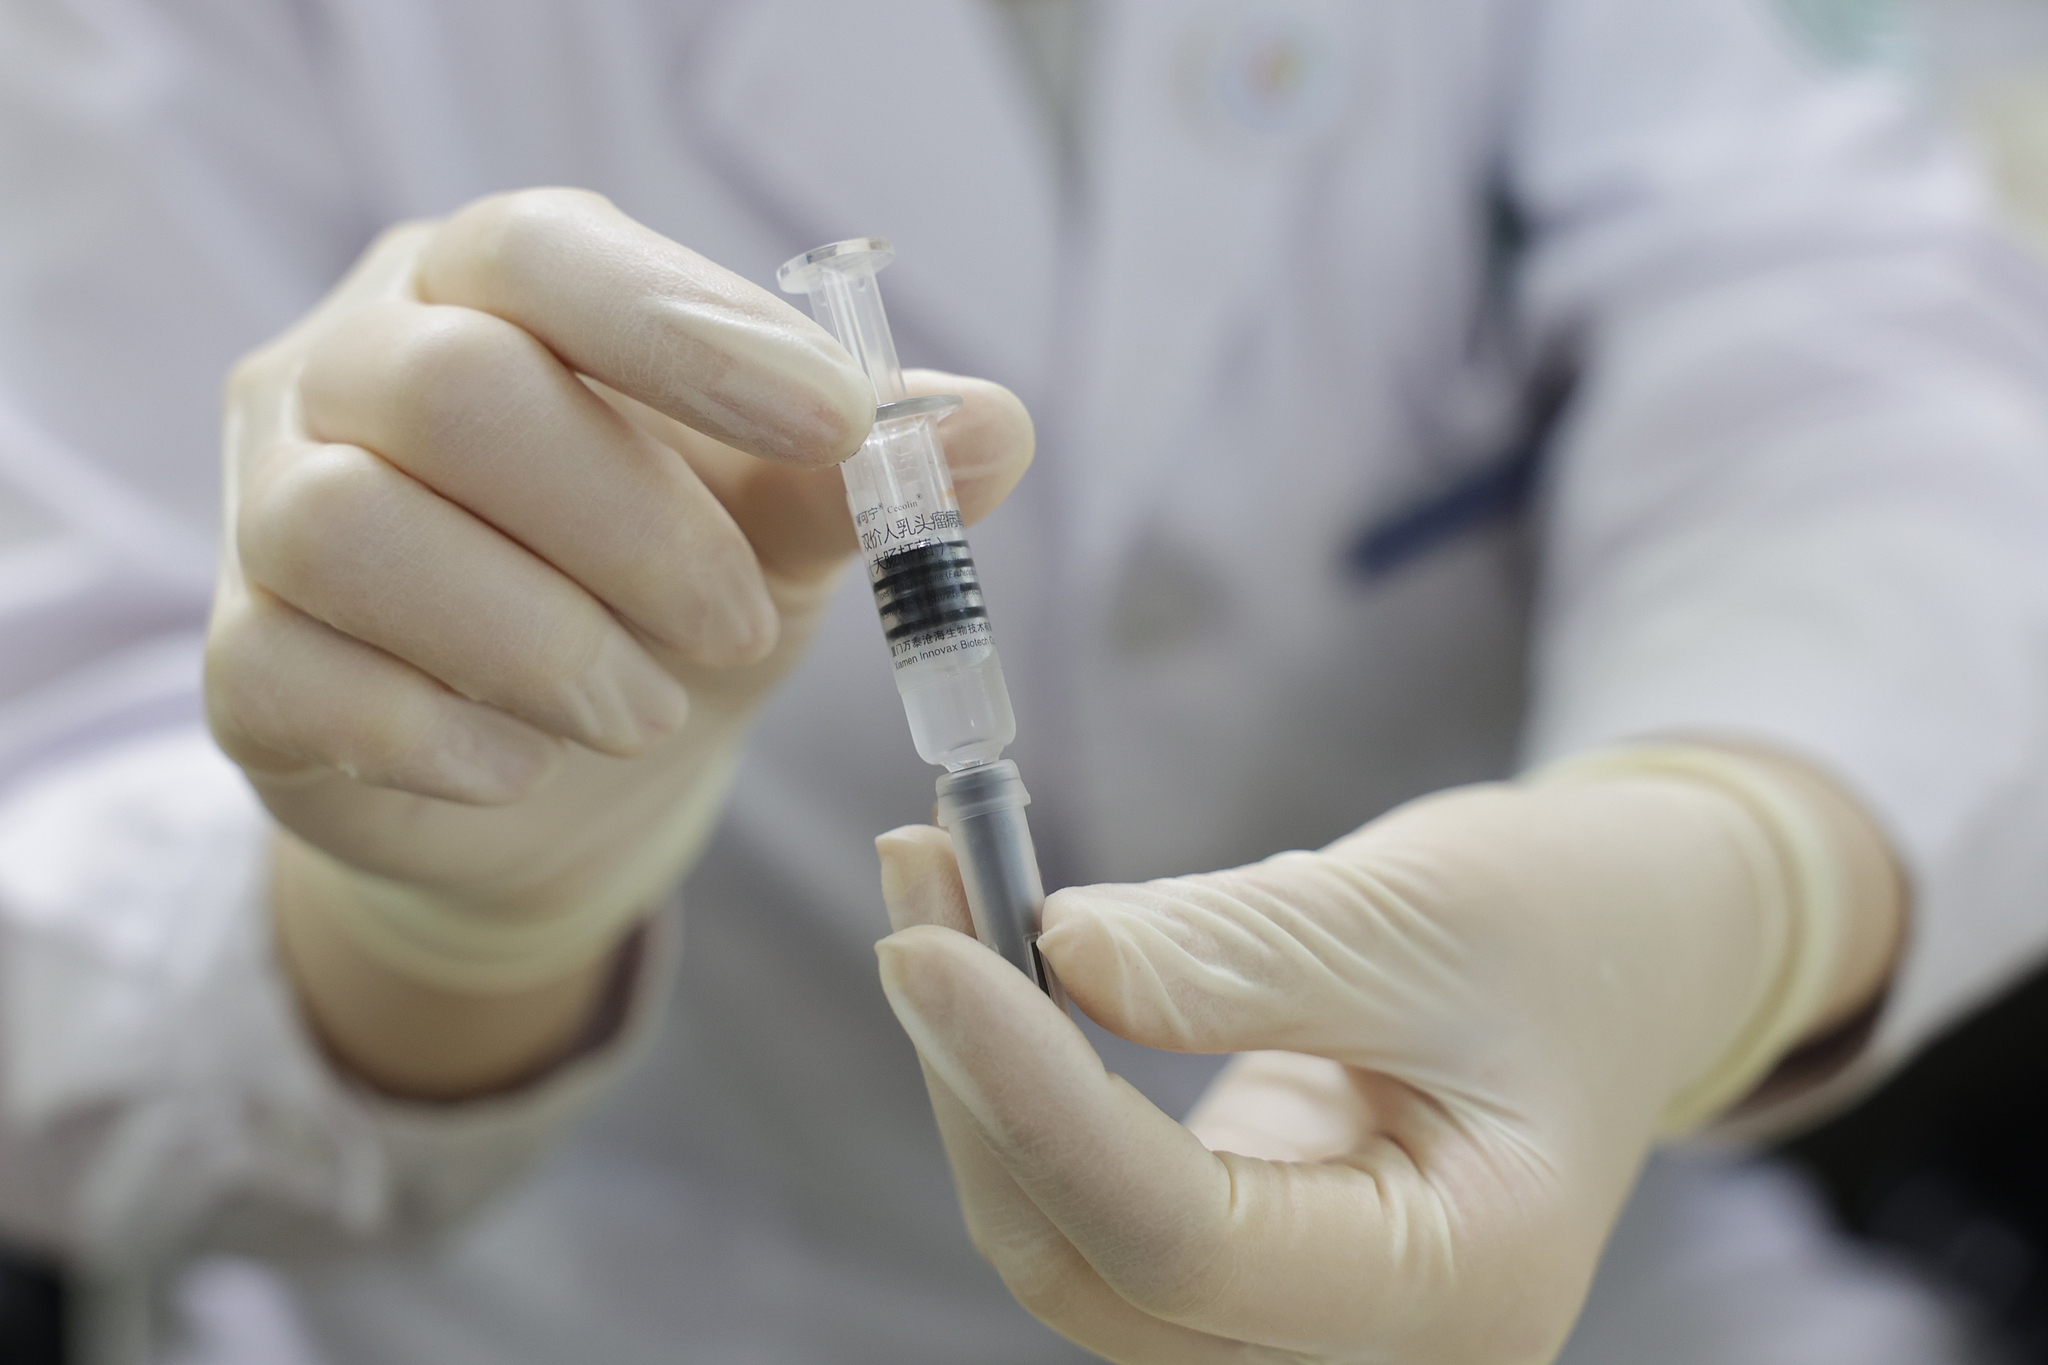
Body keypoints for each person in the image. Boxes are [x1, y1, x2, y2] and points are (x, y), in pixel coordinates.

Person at [3, 1, 2047, 1362]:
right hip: (622, 1302)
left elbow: (1851, 355)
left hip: (1588, 1273)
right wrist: (426, 930)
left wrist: (1727, 859)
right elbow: (54, 843)